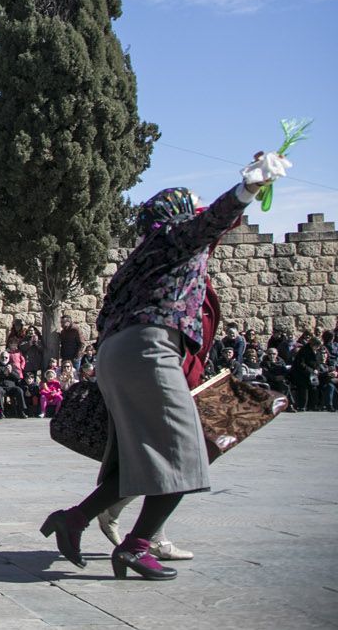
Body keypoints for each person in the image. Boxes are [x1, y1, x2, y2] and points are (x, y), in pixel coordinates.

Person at [40, 152, 288, 581]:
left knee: (147, 460)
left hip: (119, 353)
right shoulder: (174, 237)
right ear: (176, 215)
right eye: (192, 204)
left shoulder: (141, 261)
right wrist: (247, 189)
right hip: (149, 349)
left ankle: (74, 519)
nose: (198, 209)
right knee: (186, 452)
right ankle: (136, 547)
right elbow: (207, 225)